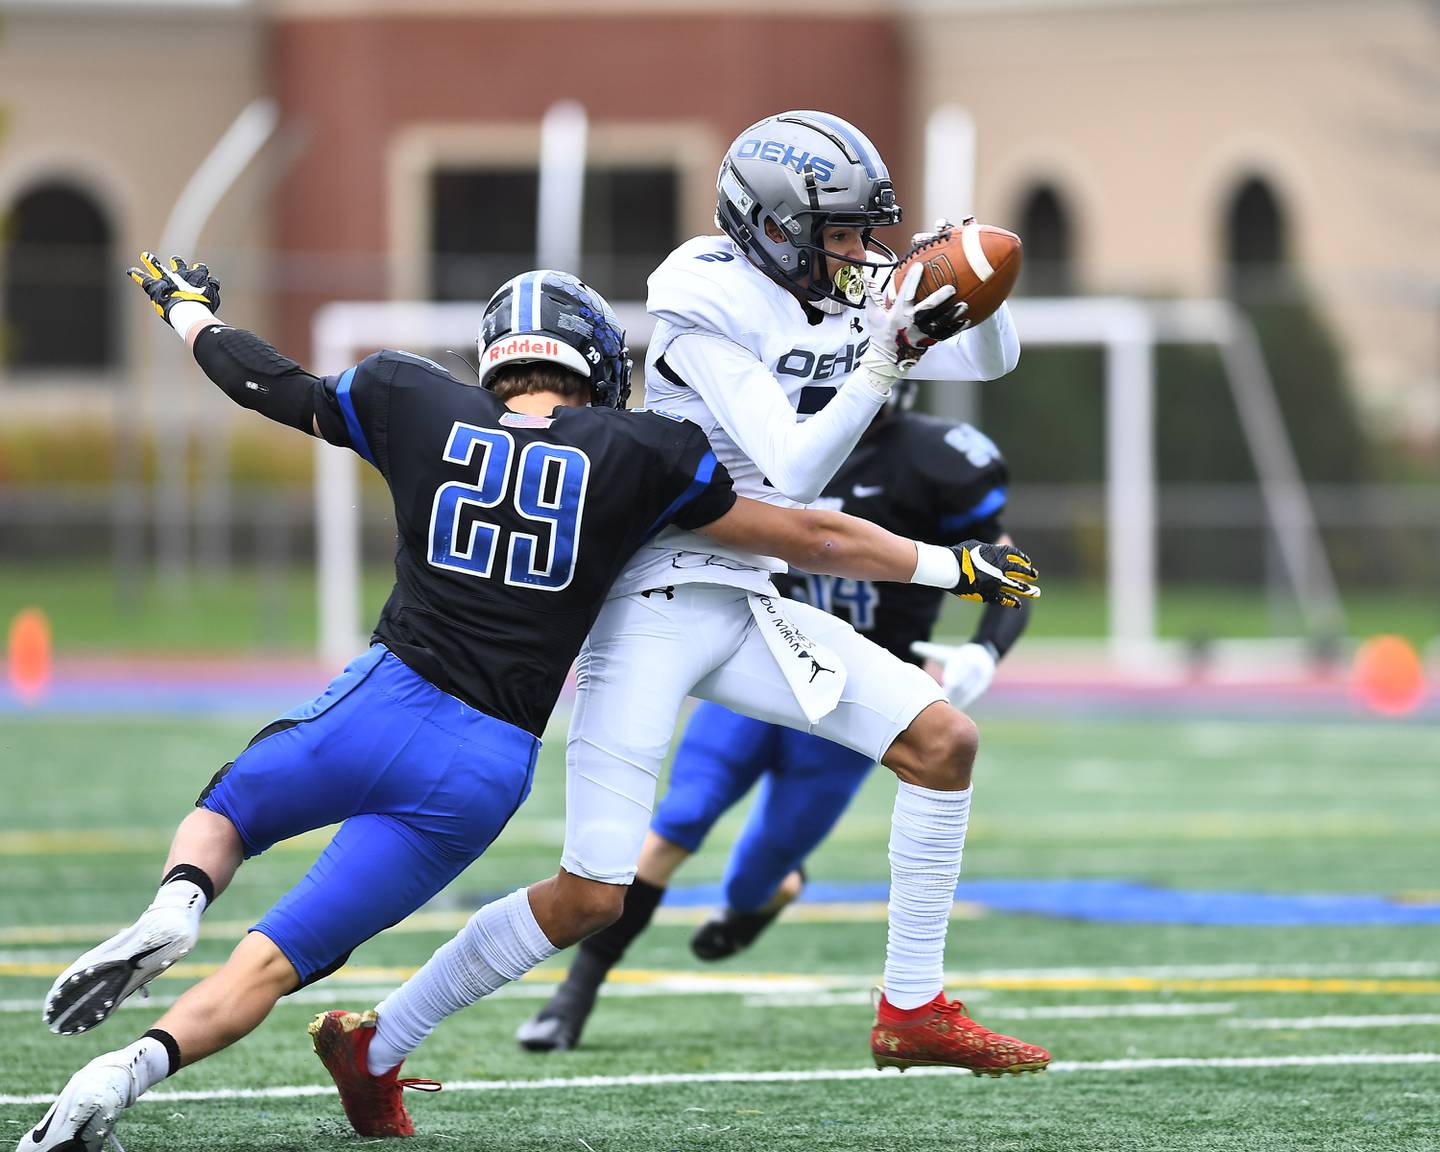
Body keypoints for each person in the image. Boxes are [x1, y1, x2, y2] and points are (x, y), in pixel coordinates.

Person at [20, 255, 1037, 1152]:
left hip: (383, 700)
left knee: (227, 816)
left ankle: (176, 904)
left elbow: (268, 384)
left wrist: (189, 313)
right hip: (480, 764)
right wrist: (952, 564)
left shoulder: (410, 398)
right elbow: (803, 529)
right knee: (284, 962)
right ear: (596, 357)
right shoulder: (639, 449)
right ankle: (128, 1073)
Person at [312, 110, 1046, 1140]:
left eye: (868, 230)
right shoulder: (701, 290)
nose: (862, 252)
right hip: (651, 592)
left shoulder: (841, 287)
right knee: (590, 895)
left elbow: (992, 362)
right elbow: (791, 473)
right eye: (842, 231)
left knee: (943, 742)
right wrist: (884, 358)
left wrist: (967, 277)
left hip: (746, 597)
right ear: (774, 228)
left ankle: (911, 1007)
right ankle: (377, 1040)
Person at [518, 385, 1031, 1051]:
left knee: (758, 872)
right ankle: (573, 997)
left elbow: (1006, 566)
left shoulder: (934, 461)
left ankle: (775, 888)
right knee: (681, 819)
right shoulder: (755, 440)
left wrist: (984, 651)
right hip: (763, 655)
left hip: (858, 697)